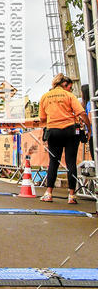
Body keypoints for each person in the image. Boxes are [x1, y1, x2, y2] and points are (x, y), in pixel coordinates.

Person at [39, 74, 90, 204]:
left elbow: (42, 119)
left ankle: (48, 193)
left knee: (53, 163)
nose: (70, 90)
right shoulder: (69, 96)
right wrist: (89, 127)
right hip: (70, 131)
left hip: (53, 131)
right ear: (64, 85)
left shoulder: (44, 97)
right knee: (71, 162)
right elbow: (81, 112)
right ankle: (71, 196)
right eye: (70, 87)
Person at [81, 83, 94, 160]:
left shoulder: (89, 104)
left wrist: (85, 123)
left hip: (92, 133)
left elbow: (90, 119)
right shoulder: (89, 103)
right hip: (92, 132)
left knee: (94, 154)